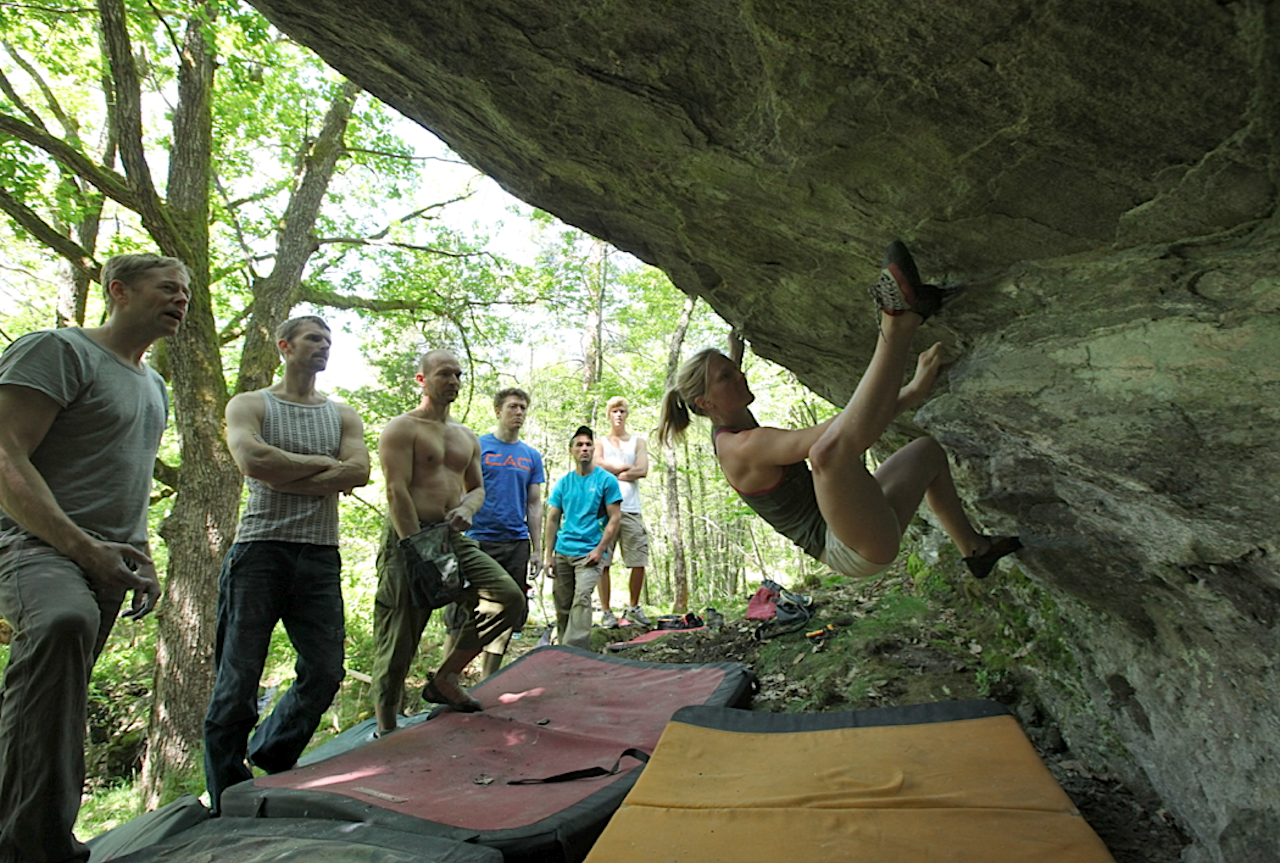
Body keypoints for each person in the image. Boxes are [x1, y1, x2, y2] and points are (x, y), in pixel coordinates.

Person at [656, 240, 1021, 584]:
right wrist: (911, 391)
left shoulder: (728, 417)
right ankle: (900, 322)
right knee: (827, 452)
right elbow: (838, 434)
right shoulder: (740, 448)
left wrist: (733, 350)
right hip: (850, 549)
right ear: (706, 404)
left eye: (734, 367)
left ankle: (977, 550)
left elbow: (730, 378)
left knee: (926, 452)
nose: (739, 375)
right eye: (726, 377)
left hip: (861, 518)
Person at [0, 253, 189, 862]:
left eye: (186, 292)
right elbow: (4, 458)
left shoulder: (153, 385)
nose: (182, 299)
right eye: (167, 288)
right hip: (29, 544)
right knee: (61, 623)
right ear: (119, 292)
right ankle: (36, 849)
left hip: (107, 562)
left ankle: (34, 837)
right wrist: (81, 547)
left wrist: (140, 559)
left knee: (54, 701)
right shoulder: (57, 352)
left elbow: (120, 483)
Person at [203, 315, 371, 815]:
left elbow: (359, 471)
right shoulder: (251, 403)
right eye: (313, 339)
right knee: (238, 680)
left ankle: (272, 751)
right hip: (259, 552)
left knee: (325, 670)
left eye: (328, 341)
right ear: (285, 346)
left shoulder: (342, 414)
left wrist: (287, 470)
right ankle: (227, 794)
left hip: (320, 554)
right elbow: (253, 461)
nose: (323, 347)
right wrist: (325, 470)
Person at [371, 349, 524, 731]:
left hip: (451, 537)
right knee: (399, 638)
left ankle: (446, 677)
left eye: (458, 375)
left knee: (507, 597)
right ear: (422, 380)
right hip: (410, 537)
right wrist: (416, 550)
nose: (453, 381)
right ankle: (386, 728)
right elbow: (396, 492)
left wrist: (468, 509)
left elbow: (477, 489)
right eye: (444, 375)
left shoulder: (465, 436)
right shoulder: (401, 428)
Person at [441, 387, 545, 679]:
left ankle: (489, 681)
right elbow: (460, 490)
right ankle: (446, 679)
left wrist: (537, 549)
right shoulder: (477, 445)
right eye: (513, 407)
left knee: (505, 612)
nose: (519, 412)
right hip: (476, 540)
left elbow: (534, 504)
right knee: (461, 613)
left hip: (515, 542)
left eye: (523, 408)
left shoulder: (530, 456)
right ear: (498, 411)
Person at [542, 426, 622, 649]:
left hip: (590, 553)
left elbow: (615, 518)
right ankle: (563, 649)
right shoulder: (564, 483)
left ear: (594, 449)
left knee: (582, 599)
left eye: (588, 445)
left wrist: (600, 549)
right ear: (571, 451)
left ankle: (573, 653)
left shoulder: (606, 481)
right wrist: (548, 555)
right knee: (563, 604)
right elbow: (552, 519)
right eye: (579, 445)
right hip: (563, 551)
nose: (584, 449)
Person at [593, 397, 653, 627]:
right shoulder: (600, 442)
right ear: (608, 414)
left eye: (622, 411)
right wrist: (626, 470)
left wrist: (614, 472)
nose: (618, 415)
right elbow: (597, 465)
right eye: (614, 411)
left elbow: (643, 469)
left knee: (638, 559)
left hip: (631, 509)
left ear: (627, 414)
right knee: (602, 561)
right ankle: (607, 612)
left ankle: (633, 607)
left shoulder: (638, 442)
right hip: (605, 509)